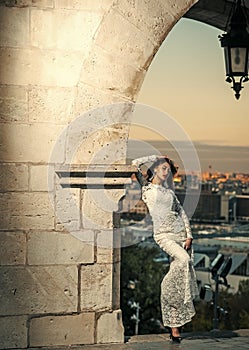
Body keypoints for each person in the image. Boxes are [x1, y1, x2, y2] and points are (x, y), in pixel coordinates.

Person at [132, 155, 199, 343]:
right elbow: (134, 164)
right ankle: (165, 288)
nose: (166, 170)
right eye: (163, 167)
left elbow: (182, 213)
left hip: (180, 234)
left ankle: (175, 329)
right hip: (163, 236)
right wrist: (158, 157)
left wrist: (189, 235)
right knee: (183, 262)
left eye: (168, 169)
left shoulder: (169, 192)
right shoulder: (146, 187)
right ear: (154, 169)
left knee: (179, 279)